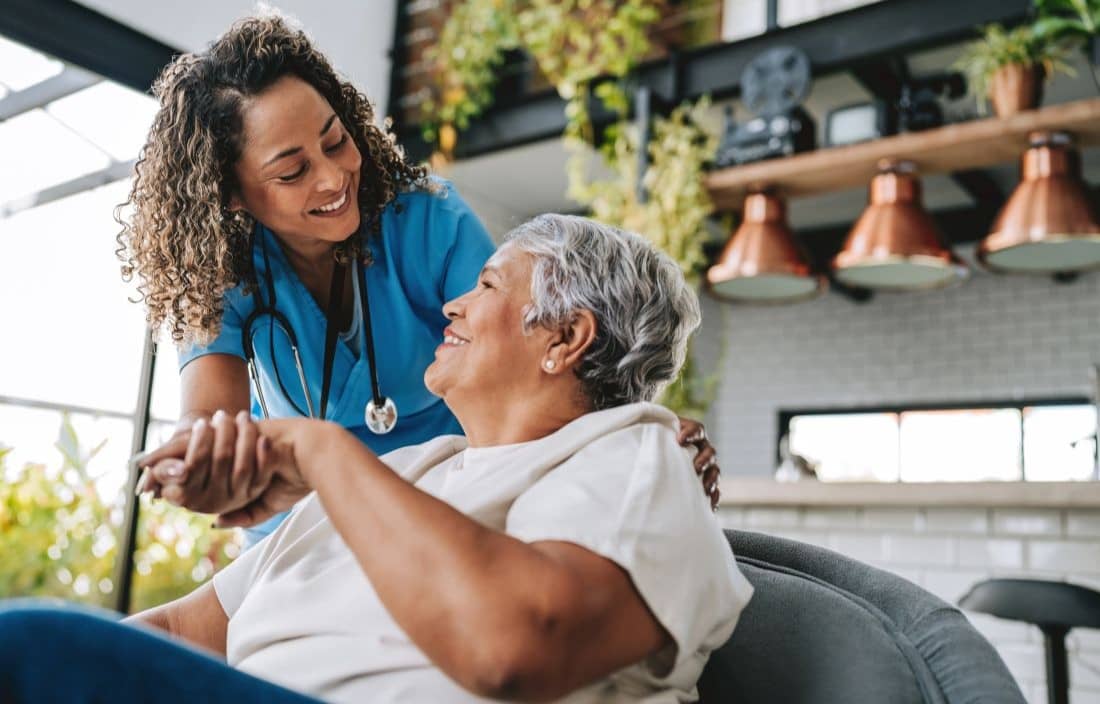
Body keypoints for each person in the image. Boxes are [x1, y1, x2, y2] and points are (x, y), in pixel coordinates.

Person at [0, 215, 752, 703]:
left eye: (488, 285)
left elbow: (512, 649)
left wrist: (318, 447)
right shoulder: (407, 471)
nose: (454, 304)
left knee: (33, 647)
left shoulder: (633, 459)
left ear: (565, 339)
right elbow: (177, 634)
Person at [116, 14, 722, 545]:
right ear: (229, 193)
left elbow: (532, 354)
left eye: (335, 141)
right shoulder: (222, 269)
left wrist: (634, 433)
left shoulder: (429, 222)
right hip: (296, 532)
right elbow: (208, 421)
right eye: (293, 172)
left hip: (438, 510)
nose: (333, 178)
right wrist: (197, 459)